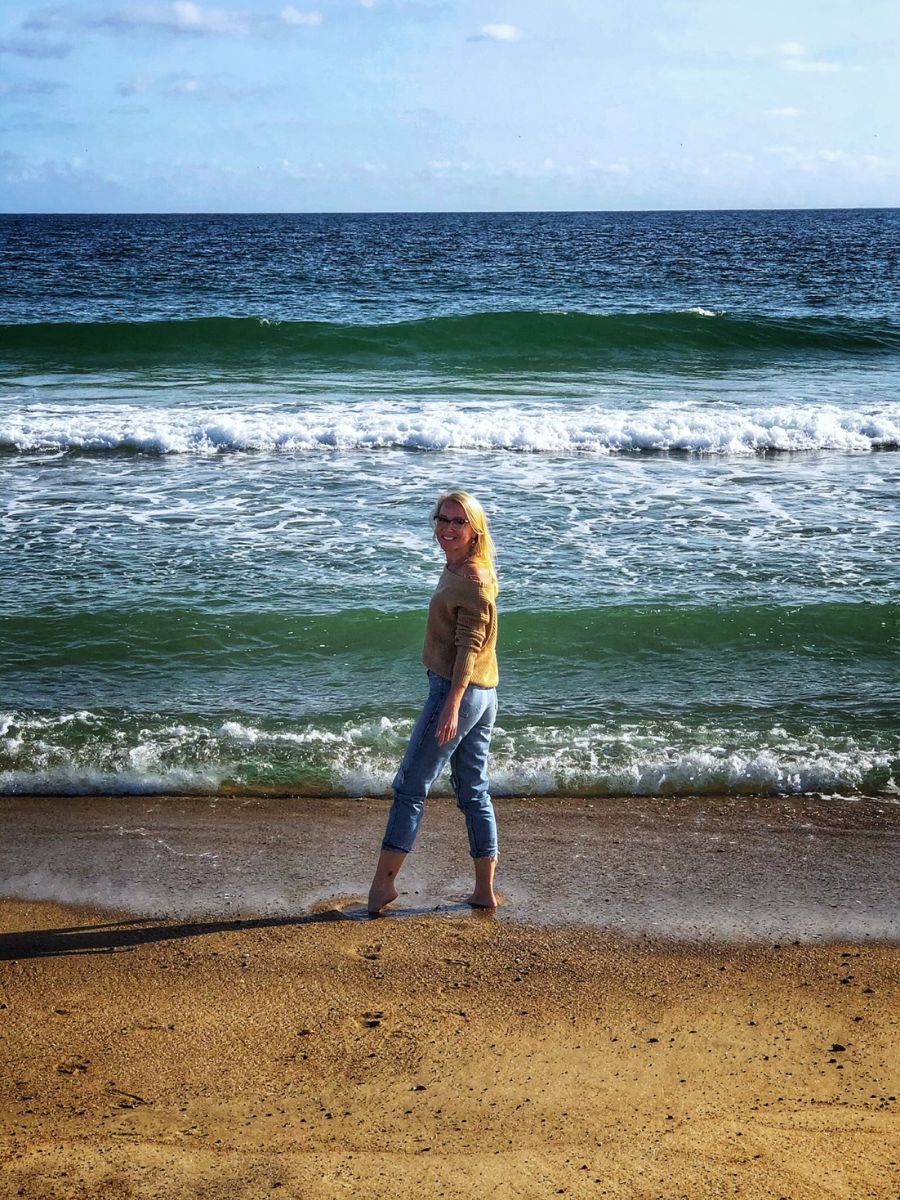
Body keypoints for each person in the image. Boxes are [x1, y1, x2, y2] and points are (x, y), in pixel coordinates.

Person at [367, 490, 500, 914]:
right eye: (442, 519)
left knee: (409, 787)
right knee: (472, 789)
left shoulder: (472, 579)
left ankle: (382, 887)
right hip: (483, 691)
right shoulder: (463, 568)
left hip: (457, 690)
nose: (447, 528)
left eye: (458, 522)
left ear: (475, 529)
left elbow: (468, 647)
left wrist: (451, 704)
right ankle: (483, 892)